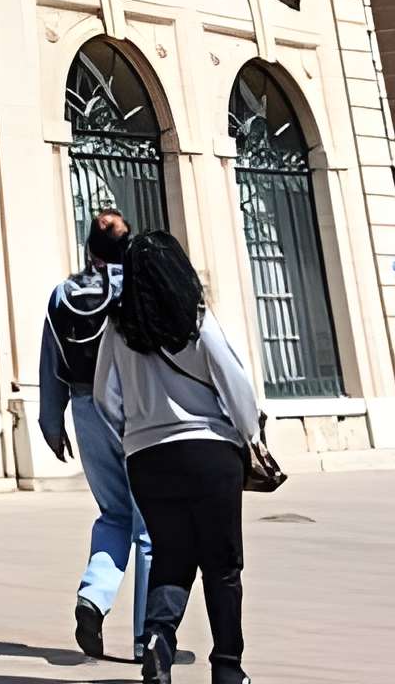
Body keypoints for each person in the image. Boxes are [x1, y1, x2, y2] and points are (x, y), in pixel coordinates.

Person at [95, 231, 262, 684]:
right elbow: (235, 383)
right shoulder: (198, 320)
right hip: (209, 453)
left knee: (170, 555)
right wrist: (250, 436)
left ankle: (157, 643)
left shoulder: (117, 327)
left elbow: (103, 396)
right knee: (222, 566)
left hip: (147, 460)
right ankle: (228, 668)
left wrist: (132, 436)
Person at [39, 210, 151, 662]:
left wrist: (52, 424)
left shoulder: (63, 296)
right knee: (149, 526)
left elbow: (50, 362)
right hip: (135, 410)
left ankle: (95, 595)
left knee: (113, 514)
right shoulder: (137, 291)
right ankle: (149, 637)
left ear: (88, 249)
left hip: (85, 409)